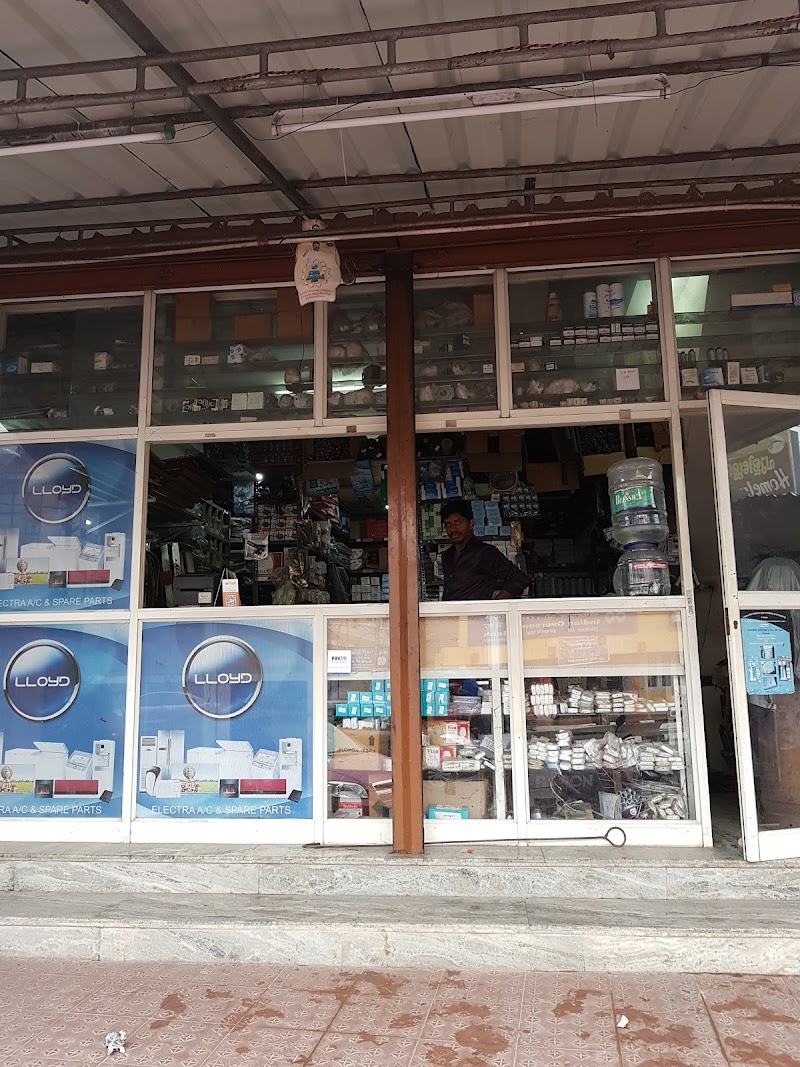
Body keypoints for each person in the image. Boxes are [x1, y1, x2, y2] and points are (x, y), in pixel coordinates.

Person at [440, 499, 529, 601]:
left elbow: (519, 579)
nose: (453, 529)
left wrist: (495, 604)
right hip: (450, 610)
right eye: (448, 524)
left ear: (471, 523)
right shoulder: (447, 556)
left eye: (458, 522)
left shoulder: (485, 552)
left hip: (475, 610)